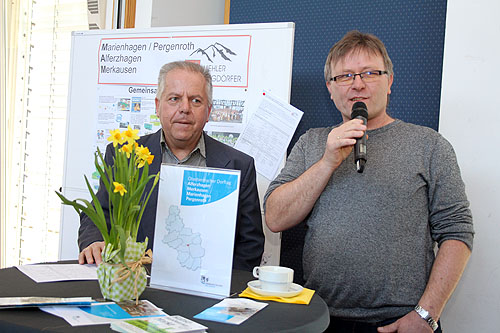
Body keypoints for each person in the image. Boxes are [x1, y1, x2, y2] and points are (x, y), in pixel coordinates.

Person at [264, 31, 474, 332]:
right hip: (319, 317)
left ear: (389, 81)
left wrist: (427, 314)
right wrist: (327, 163)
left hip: (399, 322)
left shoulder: (429, 145)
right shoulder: (312, 143)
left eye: (370, 73)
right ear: (331, 89)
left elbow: (458, 231)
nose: (358, 84)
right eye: (345, 76)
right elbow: (275, 216)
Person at [78, 61, 264, 271]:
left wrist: (223, 286)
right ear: (158, 106)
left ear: (209, 111)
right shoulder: (124, 155)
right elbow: (98, 213)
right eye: (174, 99)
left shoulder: (239, 166)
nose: (184, 108)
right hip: (135, 284)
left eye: (195, 100)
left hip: (208, 291)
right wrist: (93, 241)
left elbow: (250, 245)